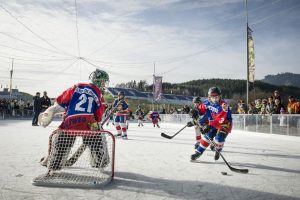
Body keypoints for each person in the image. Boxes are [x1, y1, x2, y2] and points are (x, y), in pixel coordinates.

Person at [39, 69, 110, 176]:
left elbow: (61, 100)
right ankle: (100, 163)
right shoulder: (98, 94)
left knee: (61, 142)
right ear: (100, 82)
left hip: (70, 122)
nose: (104, 85)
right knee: (98, 137)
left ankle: (53, 164)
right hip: (89, 124)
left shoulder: (77, 86)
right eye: (104, 82)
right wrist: (97, 118)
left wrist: (55, 110)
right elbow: (98, 116)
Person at [190, 87, 232, 161]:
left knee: (219, 139)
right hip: (212, 123)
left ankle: (218, 150)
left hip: (225, 124)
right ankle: (198, 152)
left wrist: (209, 126)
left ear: (220, 96)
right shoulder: (206, 102)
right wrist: (195, 112)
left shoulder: (224, 105)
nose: (215, 99)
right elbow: (201, 110)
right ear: (209, 97)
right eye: (213, 97)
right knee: (207, 137)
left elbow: (220, 119)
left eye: (216, 97)